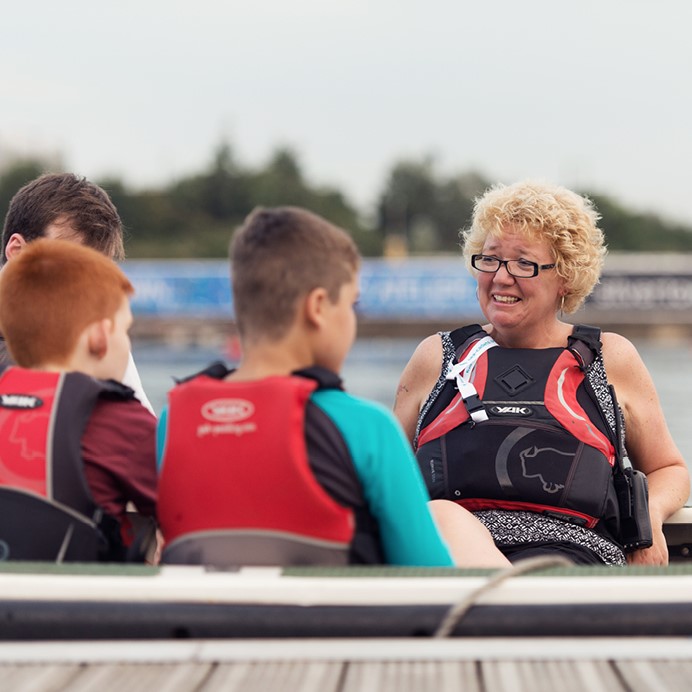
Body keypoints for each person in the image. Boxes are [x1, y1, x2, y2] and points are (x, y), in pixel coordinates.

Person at [156, 206, 506, 568]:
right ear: (318, 308)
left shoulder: (174, 419)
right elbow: (428, 576)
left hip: (204, 607)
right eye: (352, 305)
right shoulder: (368, 429)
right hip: (324, 607)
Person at [394, 180, 689, 567]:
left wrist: (648, 517)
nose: (501, 277)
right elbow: (387, 479)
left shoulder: (609, 357)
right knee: (442, 518)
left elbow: (669, 469)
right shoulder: (436, 357)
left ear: (565, 277)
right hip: (448, 563)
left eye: (523, 263)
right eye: (490, 259)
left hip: (571, 566)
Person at [0, 238, 157, 561]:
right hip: (76, 591)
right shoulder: (116, 420)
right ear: (100, 336)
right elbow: (191, 510)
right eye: (125, 330)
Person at [0, 172, 154, 414]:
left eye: (96, 274)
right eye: (69, 267)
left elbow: (141, 430)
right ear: (18, 251)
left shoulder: (100, 343)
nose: (82, 288)